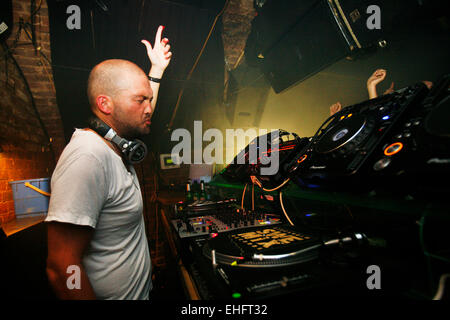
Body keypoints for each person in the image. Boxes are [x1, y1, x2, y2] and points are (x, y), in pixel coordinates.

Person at [45, 25, 172, 300]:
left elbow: (139, 113)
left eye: (149, 99)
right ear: (105, 104)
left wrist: (157, 72)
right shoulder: (87, 159)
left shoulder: (116, 143)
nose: (149, 108)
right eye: (141, 100)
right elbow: (62, 267)